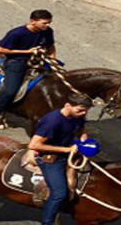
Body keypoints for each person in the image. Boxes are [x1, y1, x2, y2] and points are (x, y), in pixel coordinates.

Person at [28, 93, 91, 225]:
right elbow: (34, 145)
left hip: (69, 151)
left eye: (86, 110)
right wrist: (67, 150)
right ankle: (48, 222)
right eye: (80, 110)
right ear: (68, 105)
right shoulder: (53, 121)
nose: (83, 113)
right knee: (59, 193)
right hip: (50, 157)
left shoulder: (77, 116)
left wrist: (83, 137)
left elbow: (81, 128)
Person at [0, 9, 56, 130]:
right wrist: (26, 52)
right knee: (10, 91)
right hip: (17, 62)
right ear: (33, 21)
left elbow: (50, 46)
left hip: (38, 60)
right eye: (44, 23)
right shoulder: (17, 33)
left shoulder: (47, 31)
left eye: (49, 23)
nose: (47, 25)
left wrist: (53, 60)